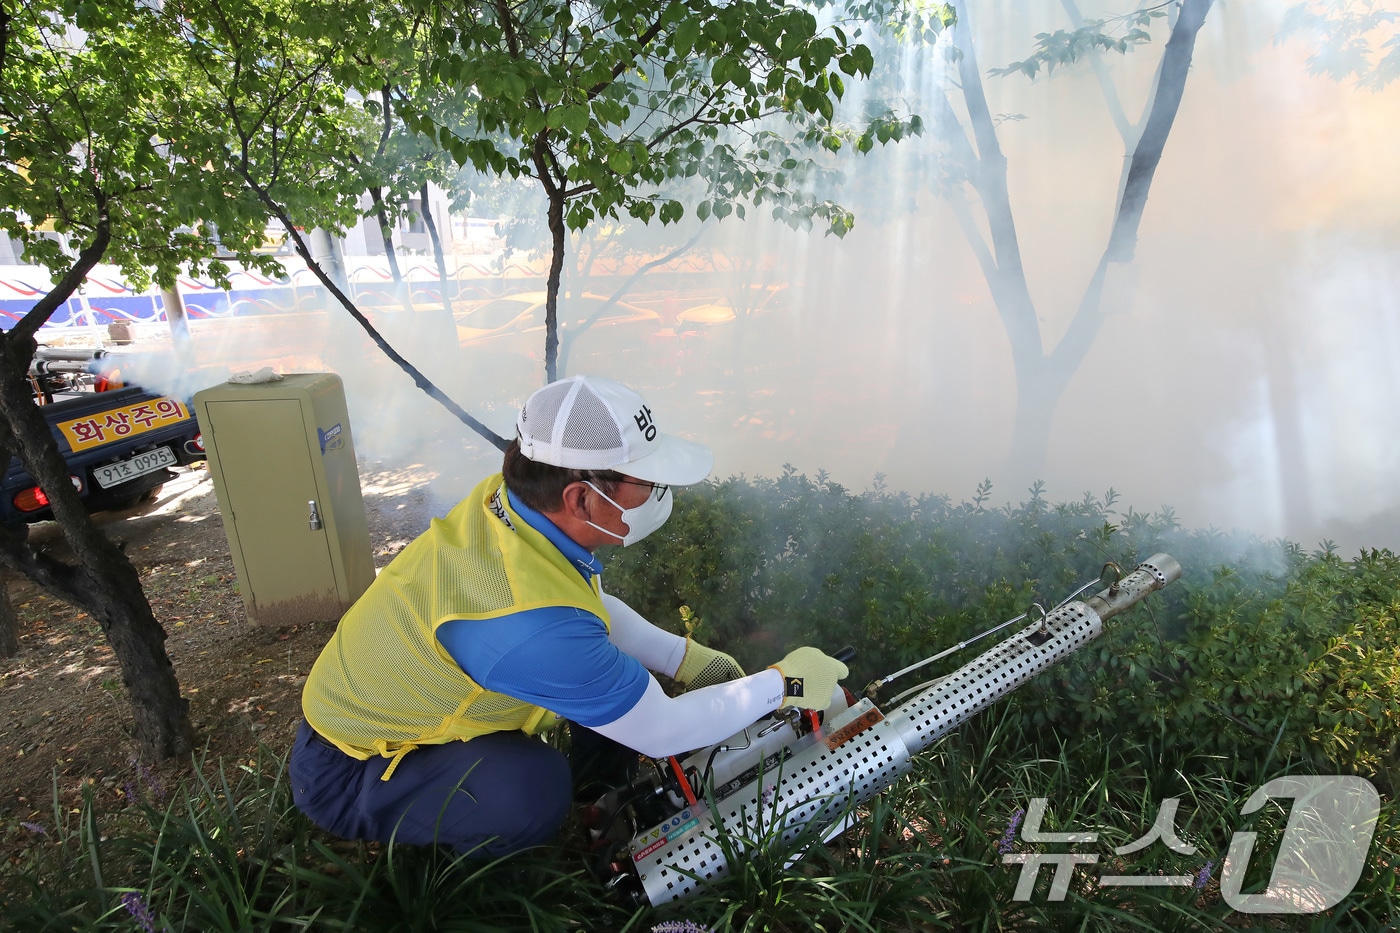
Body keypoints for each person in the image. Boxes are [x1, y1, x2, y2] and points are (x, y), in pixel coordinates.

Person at [289, 375, 849, 856]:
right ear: (582, 498)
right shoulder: (533, 630)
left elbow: (584, 610)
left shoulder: (510, 506)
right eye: (645, 482)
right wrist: (785, 684)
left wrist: (683, 657)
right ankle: (485, 866)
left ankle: (602, 799)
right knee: (533, 789)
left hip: (386, 711)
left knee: (602, 678)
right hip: (351, 770)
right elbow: (662, 730)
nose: (657, 495)